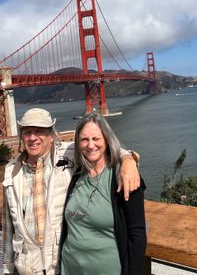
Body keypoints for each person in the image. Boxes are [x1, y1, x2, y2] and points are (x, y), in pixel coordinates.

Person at [2, 108, 140, 275]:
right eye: (27, 132)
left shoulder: (67, 155)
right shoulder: (11, 171)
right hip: (27, 267)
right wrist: (7, 267)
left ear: (52, 135)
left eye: (39, 132)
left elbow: (100, 146)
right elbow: (8, 225)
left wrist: (128, 159)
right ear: (21, 136)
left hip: (58, 266)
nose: (33, 138)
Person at [60, 112, 147, 275]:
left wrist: (128, 158)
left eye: (96, 138)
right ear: (78, 143)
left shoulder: (124, 176)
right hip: (69, 269)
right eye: (84, 139)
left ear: (107, 139)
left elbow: (137, 234)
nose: (90, 145)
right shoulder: (76, 173)